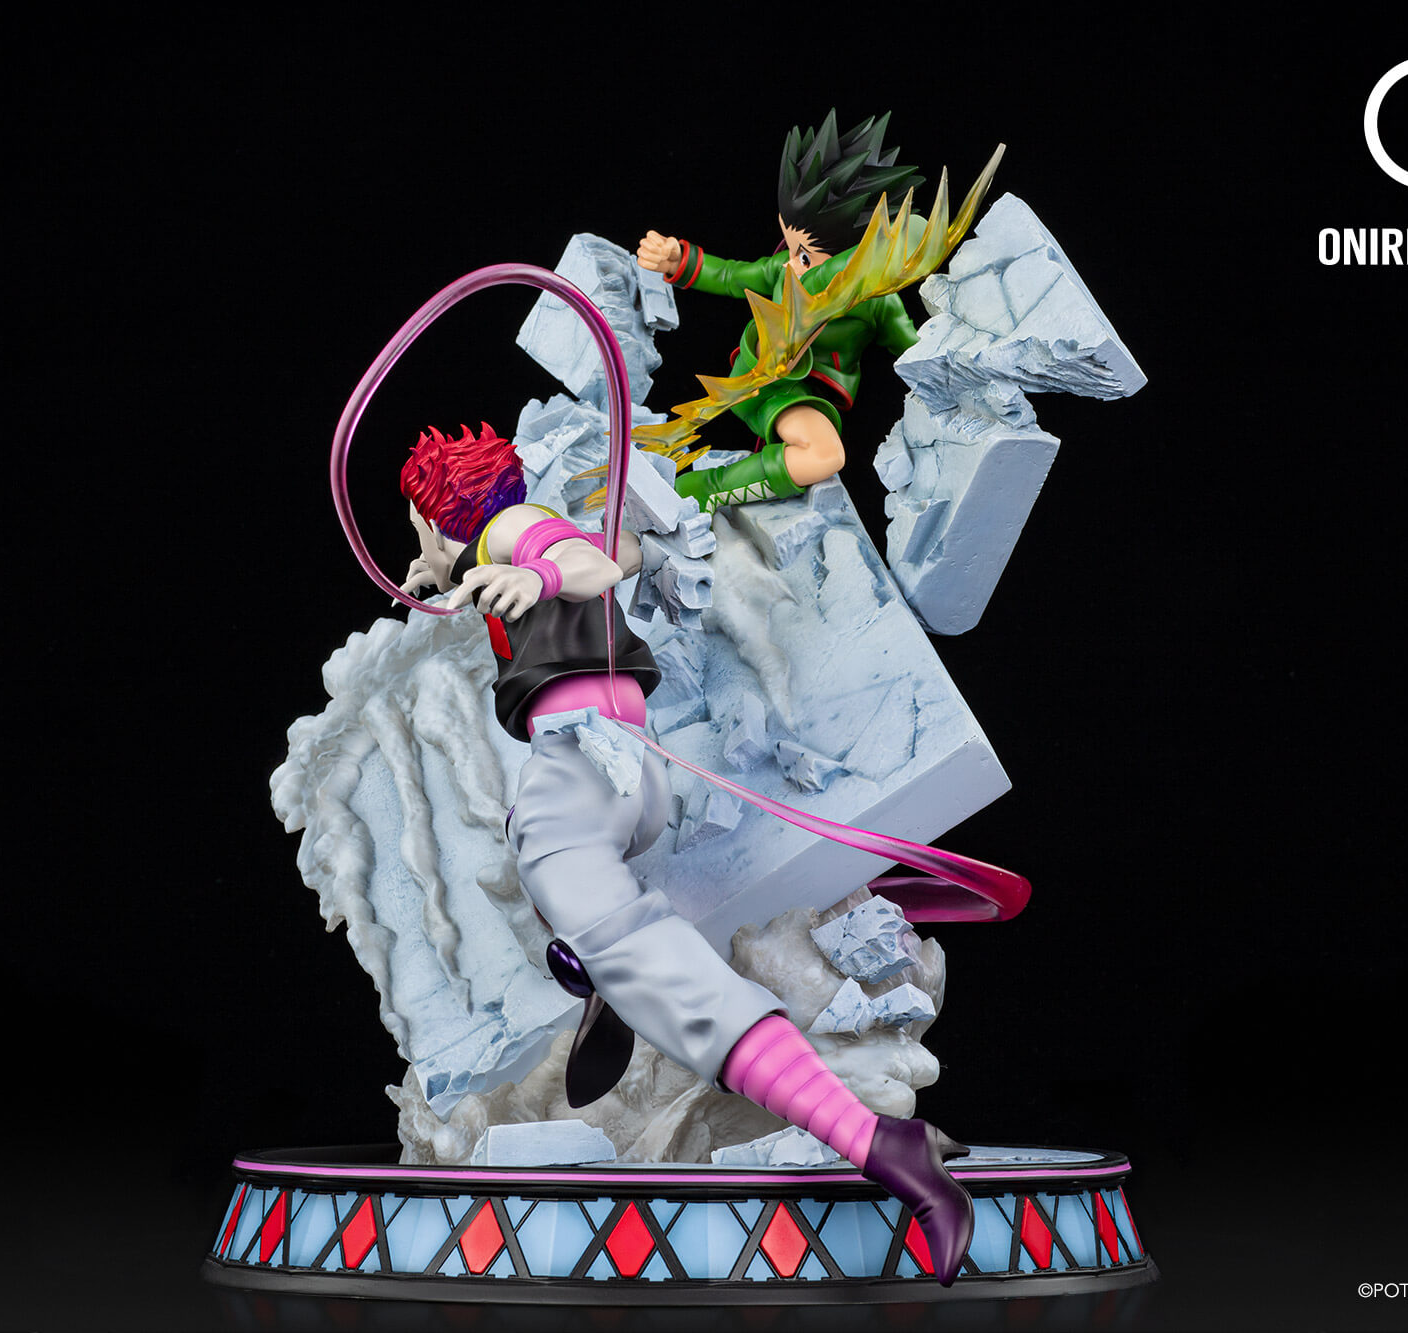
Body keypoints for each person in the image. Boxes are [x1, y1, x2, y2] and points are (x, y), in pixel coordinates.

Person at [398, 421, 976, 1283]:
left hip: (580, 772)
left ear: (437, 513)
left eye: (419, 528)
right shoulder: (500, 543)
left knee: (647, 957)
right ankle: (592, 961)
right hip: (624, 777)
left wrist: (535, 571)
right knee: (543, 857)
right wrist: (446, 575)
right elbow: (611, 552)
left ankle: (879, 1144)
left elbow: (597, 560)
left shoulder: (515, 533)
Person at [636, 111, 924, 512]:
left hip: (805, 392)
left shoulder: (878, 304)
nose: (790, 264)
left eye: (804, 256)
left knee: (820, 456)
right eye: (790, 248)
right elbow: (731, 275)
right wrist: (677, 260)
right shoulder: (784, 272)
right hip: (764, 380)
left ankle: (712, 490)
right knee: (824, 454)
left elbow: (916, 351)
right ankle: (702, 491)